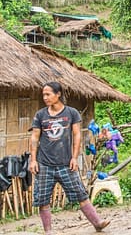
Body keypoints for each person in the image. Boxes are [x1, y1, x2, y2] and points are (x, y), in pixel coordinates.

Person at [29, 82, 110, 234]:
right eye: (43, 95)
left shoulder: (71, 113)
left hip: (66, 163)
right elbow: (34, 138)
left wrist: (74, 157)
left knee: (80, 193)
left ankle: (97, 223)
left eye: (48, 94)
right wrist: (33, 160)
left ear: (58, 94)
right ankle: (48, 231)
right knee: (43, 199)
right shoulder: (40, 115)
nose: (45, 97)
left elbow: (77, 135)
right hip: (44, 164)